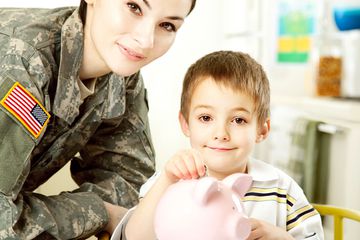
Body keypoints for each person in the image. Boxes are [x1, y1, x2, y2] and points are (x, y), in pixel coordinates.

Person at [0, 0, 196, 239]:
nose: (146, 41)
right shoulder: (20, 60)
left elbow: (130, 188)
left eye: (167, 25)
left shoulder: (123, 77)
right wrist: (98, 212)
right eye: (134, 7)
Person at [123, 51, 324, 240]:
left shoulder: (282, 190)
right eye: (206, 117)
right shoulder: (169, 183)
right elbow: (133, 237)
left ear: (262, 130)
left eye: (238, 120)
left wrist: (282, 237)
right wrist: (167, 178)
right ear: (186, 124)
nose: (221, 134)